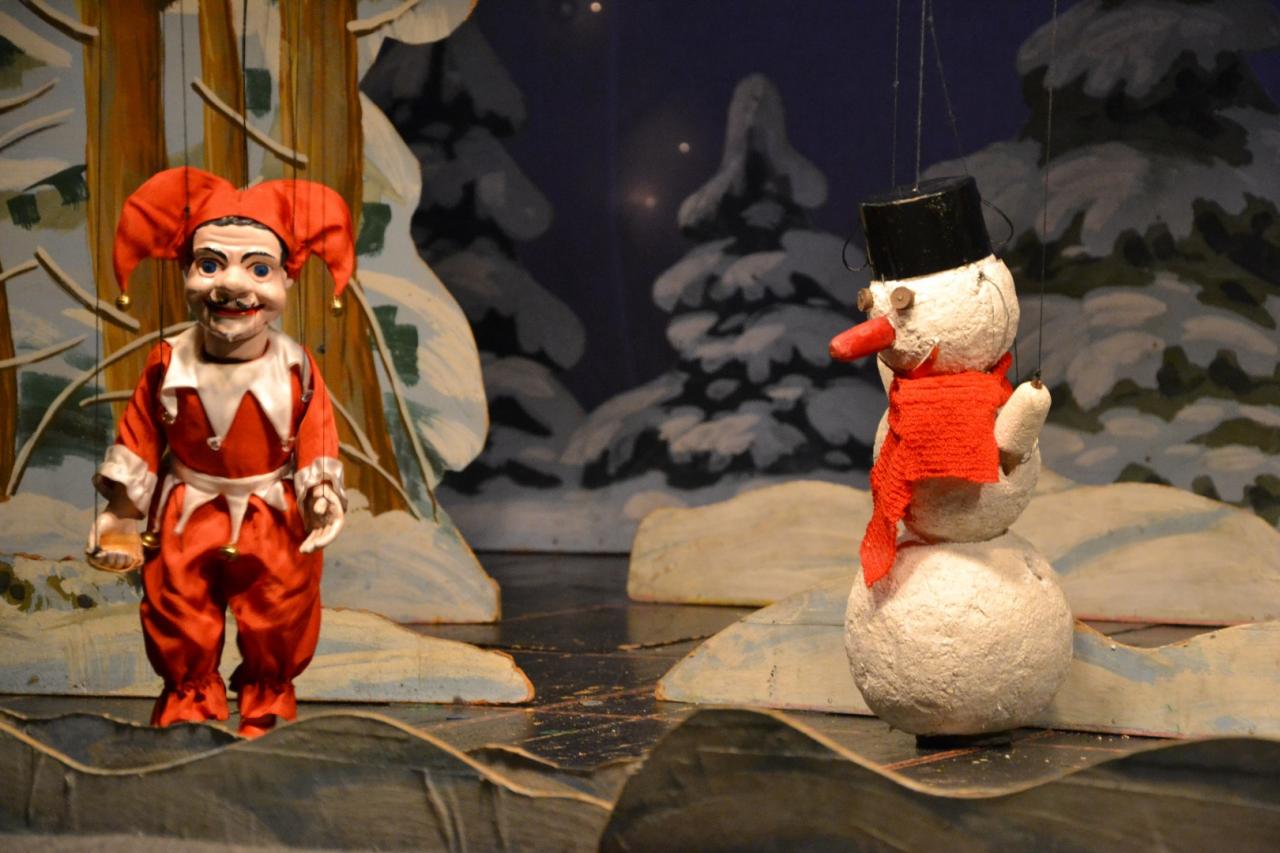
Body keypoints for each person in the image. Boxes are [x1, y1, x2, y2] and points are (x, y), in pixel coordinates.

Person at [86, 167, 352, 738]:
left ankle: (267, 701)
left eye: (259, 268)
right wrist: (121, 515)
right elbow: (140, 437)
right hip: (185, 511)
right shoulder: (166, 363)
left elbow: (317, 435)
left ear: (286, 279)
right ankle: (188, 705)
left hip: (272, 514)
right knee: (177, 606)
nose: (231, 286)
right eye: (210, 265)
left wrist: (322, 494)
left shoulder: (298, 368)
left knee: (281, 607)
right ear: (186, 272)